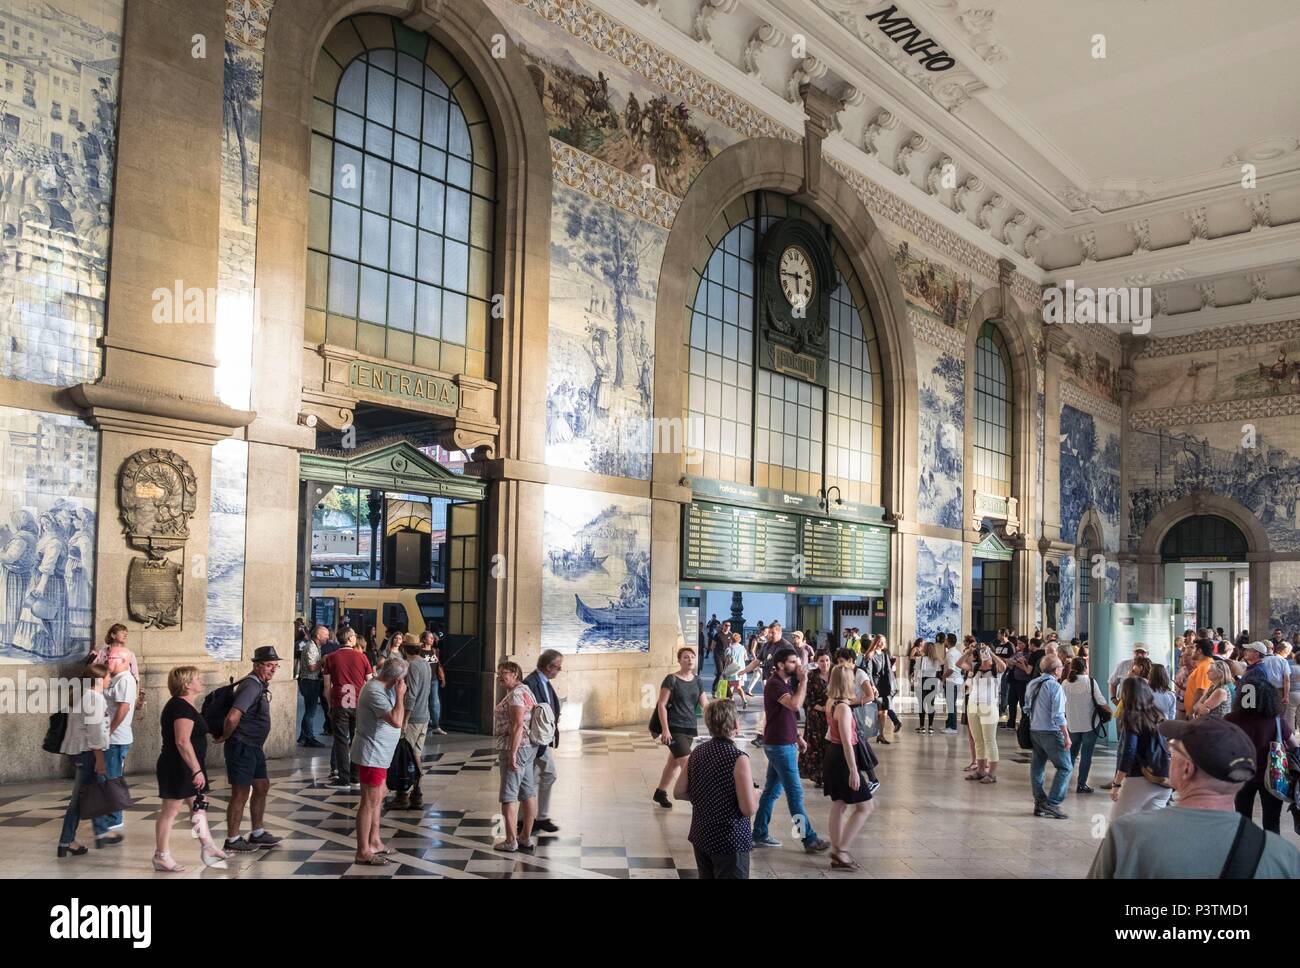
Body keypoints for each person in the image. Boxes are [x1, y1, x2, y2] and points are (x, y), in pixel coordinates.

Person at [1089, 717, 1300, 878]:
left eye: (1173, 751)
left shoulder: (1127, 835)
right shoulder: (1282, 855)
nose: (1169, 757)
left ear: (1187, 769)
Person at [751, 647, 831, 853]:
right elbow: (795, 705)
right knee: (795, 793)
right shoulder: (776, 685)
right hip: (779, 746)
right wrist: (804, 681)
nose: (798, 665)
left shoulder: (783, 683)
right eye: (793, 662)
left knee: (771, 792)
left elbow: (785, 715)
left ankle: (759, 833)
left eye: (797, 661)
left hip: (783, 742)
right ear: (780, 665)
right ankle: (808, 838)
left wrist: (797, 737)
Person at [153, 666, 228, 871]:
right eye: (197, 678)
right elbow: (182, 741)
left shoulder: (186, 706)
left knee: (198, 806)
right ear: (187, 684)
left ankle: (208, 846)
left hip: (188, 765)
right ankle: (161, 855)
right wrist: (196, 770)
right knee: (171, 810)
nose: (201, 680)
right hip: (178, 766)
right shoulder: (180, 708)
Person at [673, 700, 757, 879]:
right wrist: (756, 794)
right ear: (735, 724)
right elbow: (747, 808)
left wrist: (707, 794)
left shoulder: (698, 752)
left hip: (702, 835)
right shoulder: (738, 758)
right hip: (730, 840)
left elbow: (678, 792)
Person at [218, 646, 283, 852]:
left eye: (275, 665)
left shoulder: (260, 685)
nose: (273, 669)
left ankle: (257, 833)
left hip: (254, 746)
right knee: (241, 792)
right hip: (241, 745)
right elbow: (233, 716)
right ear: (257, 665)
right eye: (268, 665)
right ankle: (232, 839)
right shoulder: (252, 686)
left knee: (262, 785)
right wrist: (225, 737)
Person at [350, 657, 407, 865]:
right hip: (372, 753)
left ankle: (374, 841)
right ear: (396, 678)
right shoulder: (374, 690)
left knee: (379, 796)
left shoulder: (384, 687)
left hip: (380, 754)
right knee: (369, 801)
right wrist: (400, 696)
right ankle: (362, 850)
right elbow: (396, 721)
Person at [1226, 658, 1291, 834]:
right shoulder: (1277, 721)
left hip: (1241, 774)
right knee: (1272, 821)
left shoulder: (1231, 719)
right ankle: (1271, 854)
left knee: (1242, 818)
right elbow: (1293, 744)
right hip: (1271, 777)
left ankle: (1245, 851)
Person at [822, 665, 874, 871]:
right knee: (866, 806)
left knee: (840, 803)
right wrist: (854, 771)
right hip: (842, 758)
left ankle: (837, 850)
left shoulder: (831, 702)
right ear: (847, 682)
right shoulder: (842, 708)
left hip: (833, 755)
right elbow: (846, 741)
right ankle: (842, 850)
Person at [57, 662, 111, 858]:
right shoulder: (94, 699)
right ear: (98, 680)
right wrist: (100, 759)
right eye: (108, 677)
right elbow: (94, 732)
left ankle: (101, 831)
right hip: (88, 753)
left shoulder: (83, 696)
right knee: (81, 798)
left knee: (93, 793)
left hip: (81, 752)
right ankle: (70, 840)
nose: (110, 680)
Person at [1108, 677, 1173, 819]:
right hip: (1163, 779)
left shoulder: (1133, 718)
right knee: (1149, 828)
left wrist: (1116, 783)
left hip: (1140, 779)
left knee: (1119, 823)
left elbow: (1129, 752)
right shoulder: (1158, 715)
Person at [653, 647, 710, 807]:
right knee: (688, 764)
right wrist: (665, 729)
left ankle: (660, 792)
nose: (690, 659)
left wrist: (718, 711)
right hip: (674, 729)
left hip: (689, 728)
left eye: (692, 657)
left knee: (673, 763)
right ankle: (701, 801)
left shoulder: (697, 680)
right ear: (679, 660)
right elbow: (662, 705)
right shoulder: (671, 679)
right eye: (686, 657)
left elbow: (704, 703)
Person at [493, 661, 539, 853]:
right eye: (498, 673)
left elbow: (517, 725)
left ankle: (511, 840)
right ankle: (525, 837)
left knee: (509, 795)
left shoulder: (517, 694)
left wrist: (512, 754)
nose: (500, 677)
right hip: (529, 748)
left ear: (515, 673)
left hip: (517, 748)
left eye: (504, 673)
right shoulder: (525, 689)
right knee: (528, 792)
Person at [322, 628, 373, 789]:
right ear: (351, 639)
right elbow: (370, 684)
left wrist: (330, 706)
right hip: (358, 703)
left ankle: (343, 777)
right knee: (357, 739)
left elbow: (326, 686)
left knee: (341, 740)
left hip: (340, 702)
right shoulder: (362, 657)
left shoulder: (331, 658)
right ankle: (355, 777)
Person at [96, 644, 136, 845]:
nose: (106, 660)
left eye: (110, 658)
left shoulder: (126, 680)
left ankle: (114, 820)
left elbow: (123, 708)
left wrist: (109, 731)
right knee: (106, 779)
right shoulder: (115, 678)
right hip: (109, 738)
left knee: (112, 779)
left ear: (123, 661)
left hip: (116, 738)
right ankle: (107, 817)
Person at [1026, 655, 1072, 818]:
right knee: (1065, 767)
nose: (1062, 669)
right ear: (1055, 669)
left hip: (1035, 730)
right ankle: (1052, 803)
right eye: (1060, 667)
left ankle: (1039, 802)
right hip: (1051, 732)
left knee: (1037, 766)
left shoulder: (1033, 683)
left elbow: (1026, 707)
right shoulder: (1055, 687)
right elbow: (1058, 715)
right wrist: (1066, 736)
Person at [523, 650, 563, 832]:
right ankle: (536, 818)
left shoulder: (544, 682)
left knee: (536, 776)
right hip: (534, 740)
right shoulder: (530, 683)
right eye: (558, 667)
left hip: (542, 739)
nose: (559, 670)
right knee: (547, 773)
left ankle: (531, 817)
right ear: (549, 667)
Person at [389, 637, 429, 810]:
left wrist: (404, 720)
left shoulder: (411, 666)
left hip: (412, 718)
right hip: (424, 716)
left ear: (405, 648)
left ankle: (402, 794)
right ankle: (417, 792)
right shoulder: (425, 663)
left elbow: (411, 695)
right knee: (415, 755)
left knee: (404, 757)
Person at [959, 642, 1006, 783]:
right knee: (978, 740)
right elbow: (959, 664)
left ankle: (991, 773)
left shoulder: (995, 668)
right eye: (982, 652)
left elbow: (1003, 666)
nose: (983, 654)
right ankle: (980, 769)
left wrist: (991, 654)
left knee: (989, 740)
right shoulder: (976, 667)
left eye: (985, 652)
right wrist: (968, 653)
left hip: (989, 706)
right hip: (973, 705)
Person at [1062, 656, 1109, 794]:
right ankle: (1081, 784)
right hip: (1090, 724)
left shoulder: (1065, 683)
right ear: (1085, 668)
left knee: (1071, 754)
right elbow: (1100, 701)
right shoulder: (1090, 682)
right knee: (1086, 755)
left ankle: (1063, 782)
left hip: (1072, 723)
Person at [798, 651, 832, 787]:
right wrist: (822, 708)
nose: (825, 663)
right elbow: (807, 698)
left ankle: (830, 774)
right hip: (816, 716)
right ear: (816, 662)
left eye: (827, 660)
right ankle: (818, 775)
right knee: (816, 744)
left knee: (830, 745)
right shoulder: (812, 676)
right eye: (822, 661)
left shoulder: (835, 675)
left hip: (832, 715)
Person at [865, 635, 901, 742]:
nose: (882, 643)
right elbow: (869, 672)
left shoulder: (885, 654)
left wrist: (893, 666)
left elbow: (889, 668)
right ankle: (870, 732)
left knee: (884, 711)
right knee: (878, 711)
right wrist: (872, 686)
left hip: (886, 685)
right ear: (875, 642)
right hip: (876, 685)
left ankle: (881, 735)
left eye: (884, 641)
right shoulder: (870, 655)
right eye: (880, 641)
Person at [296, 624, 327, 747]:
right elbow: (312, 667)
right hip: (309, 682)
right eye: (326, 635)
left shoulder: (316, 647)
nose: (328, 637)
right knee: (310, 712)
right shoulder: (311, 648)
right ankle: (309, 737)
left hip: (312, 681)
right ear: (318, 636)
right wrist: (323, 661)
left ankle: (303, 737)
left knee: (309, 711)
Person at [420, 630, 447, 735]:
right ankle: (425, 725)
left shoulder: (435, 651)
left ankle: (435, 725)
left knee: (435, 702)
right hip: (423, 680)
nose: (432, 639)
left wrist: (442, 678)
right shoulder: (420, 651)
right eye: (430, 637)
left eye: (432, 638)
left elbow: (438, 665)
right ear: (424, 639)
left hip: (434, 679)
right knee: (424, 702)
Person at [915, 639, 944, 733]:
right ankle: (930, 727)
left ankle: (922, 726)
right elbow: (938, 671)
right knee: (931, 704)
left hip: (923, 681)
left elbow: (917, 671)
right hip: (933, 681)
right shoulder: (936, 660)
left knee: (922, 704)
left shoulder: (921, 659)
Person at [1182, 638, 1215, 717]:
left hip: (1196, 714)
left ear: (1199, 651)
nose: (1192, 651)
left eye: (1194, 649)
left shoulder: (1204, 667)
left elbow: (1201, 691)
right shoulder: (1205, 665)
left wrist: (1191, 712)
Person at [1004, 636, 1031, 730]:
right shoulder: (1016, 653)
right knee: (1011, 702)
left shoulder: (1028, 654)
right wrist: (1012, 662)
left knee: (1023, 703)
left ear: (1026, 644)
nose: (1018, 645)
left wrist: (1016, 663)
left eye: (1021, 643)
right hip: (1013, 679)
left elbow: (1026, 668)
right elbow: (1010, 661)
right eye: (1018, 643)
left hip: (1022, 681)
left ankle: (1024, 723)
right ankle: (1011, 723)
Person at [942, 632, 963, 734]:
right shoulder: (957, 652)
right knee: (951, 704)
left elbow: (951, 669)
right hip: (957, 680)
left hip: (952, 680)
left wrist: (943, 677)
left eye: (946, 639)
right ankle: (949, 724)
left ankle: (952, 727)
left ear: (948, 641)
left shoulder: (950, 654)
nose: (944, 641)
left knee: (951, 704)